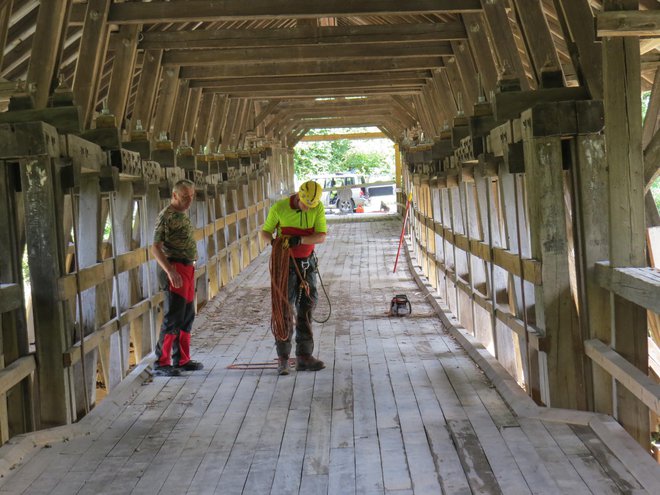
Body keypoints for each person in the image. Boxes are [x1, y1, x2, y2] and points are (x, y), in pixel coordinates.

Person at [260, 180, 327, 375]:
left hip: (307, 264)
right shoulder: (280, 208)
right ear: (299, 196)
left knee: (307, 306)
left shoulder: (317, 208)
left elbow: (321, 236)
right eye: (306, 204)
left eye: (311, 206)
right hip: (285, 265)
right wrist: (273, 243)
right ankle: (283, 357)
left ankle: (304, 356)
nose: (308, 209)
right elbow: (265, 231)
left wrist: (301, 240)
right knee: (283, 309)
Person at [151, 179, 204, 376]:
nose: (189, 201)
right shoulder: (166, 216)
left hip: (187, 268)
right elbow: (155, 248)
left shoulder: (181, 214)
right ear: (174, 196)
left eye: (191, 196)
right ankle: (162, 363)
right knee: (173, 316)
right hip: (174, 268)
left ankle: (182, 359)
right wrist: (170, 271)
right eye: (184, 197)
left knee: (187, 315)